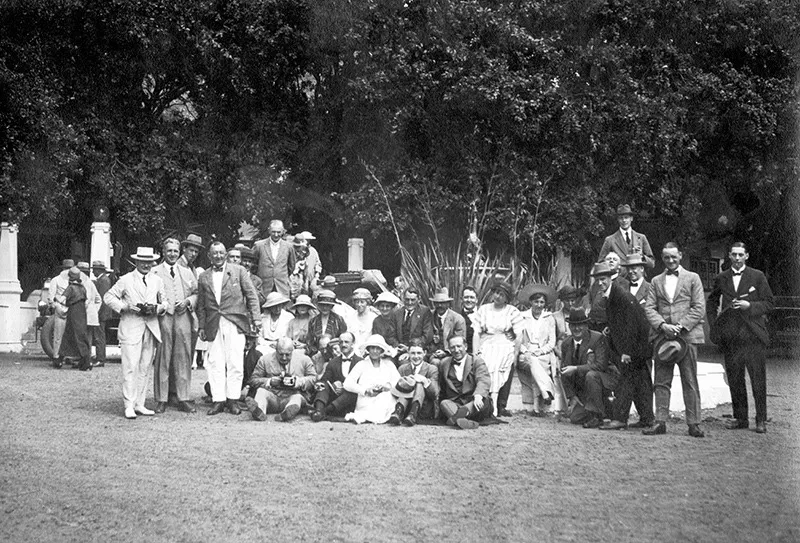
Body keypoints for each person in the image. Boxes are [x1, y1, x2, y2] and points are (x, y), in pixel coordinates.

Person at [707, 242, 774, 434]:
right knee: (735, 379)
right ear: (729, 256)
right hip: (732, 338)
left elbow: (770, 303)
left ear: (747, 256)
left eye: (740, 255)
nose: (737, 258)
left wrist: (749, 306)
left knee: (758, 380)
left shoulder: (757, 276)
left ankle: (761, 420)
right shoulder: (722, 277)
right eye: (734, 255)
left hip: (753, 337)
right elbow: (711, 302)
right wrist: (715, 325)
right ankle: (741, 418)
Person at [643, 242, 706, 438]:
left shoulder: (693, 278)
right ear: (662, 259)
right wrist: (663, 326)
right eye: (666, 258)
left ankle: (693, 423)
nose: (670, 261)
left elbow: (698, 307)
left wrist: (680, 327)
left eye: (674, 257)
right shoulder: (655, 281)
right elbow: (649, 308)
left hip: (687, 337)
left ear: (680, 255)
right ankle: (660, 421)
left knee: (690, 380)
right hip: (663, 338)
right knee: (661, 381)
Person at [195, 241, 261, 416]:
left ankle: (232, 400)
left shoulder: (238, 271)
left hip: (235, 321)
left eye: (221, 253)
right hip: (213, 322)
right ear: (209, 256)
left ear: (226, 254)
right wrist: (201, 325)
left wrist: (256, 319)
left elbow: (252, 296)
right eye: (214, 253)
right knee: (215, 362)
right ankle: (218, 400)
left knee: (235, 362)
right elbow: (201, 304)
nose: (218, 256)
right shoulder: (204, 277)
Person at [587, 262, 654, 430]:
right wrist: (612, 329)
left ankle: (620, 419)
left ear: (611, 278)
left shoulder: (620, 295)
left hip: (636, 345)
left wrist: (627, 352)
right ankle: (647, 419)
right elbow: (621, 320)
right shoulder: (610, 294)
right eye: (598, 280)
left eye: (603, 279)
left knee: (627, 380)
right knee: (642, 382)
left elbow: (632, 324)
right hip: (636, 345)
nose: (600, 283)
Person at [104, 247, 168, 419]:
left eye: (149, 262)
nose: (146, 265)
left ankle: (140, 403)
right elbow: (108, 297)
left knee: (145, 367)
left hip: (150, 327)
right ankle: (129, 405)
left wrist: (157, 308)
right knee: (130, 367)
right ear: (136, 262)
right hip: (131, 326)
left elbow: (165, 302)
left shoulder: (157, 280)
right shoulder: (126, 280)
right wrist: (126, 307)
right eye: (142, 261)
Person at [150, 238, 198, 414]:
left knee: (183, 356)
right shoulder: (154, 272)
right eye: (169, 251)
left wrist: (187, 301)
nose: (172, 254)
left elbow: (197, 293)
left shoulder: (186, 272)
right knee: (163, 356)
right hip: (164, 318)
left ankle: (183, 397)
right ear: (163, 252)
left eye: (175, 251)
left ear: (179, 253)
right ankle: (161, 398)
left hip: (183, 317)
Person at [559, 307, 618, 428]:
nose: (577, 328)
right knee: (575, 418)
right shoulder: (566, 344)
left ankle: (597, 416)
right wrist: (572, 397)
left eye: (580, 325)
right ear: (569, 327)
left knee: (591, 375)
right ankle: (603, 410)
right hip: (586, 390)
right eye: (573, 325)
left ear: (586, 325)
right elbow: (564, 372)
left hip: (605, 381)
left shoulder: (597, 338)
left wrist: (576, 368)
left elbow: (600, 365)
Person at [472, 281, 523, 416]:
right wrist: (475, 351)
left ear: (507, 298)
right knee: (486, 363)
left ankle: (499, 405)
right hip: (486, 342)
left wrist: (516, 353)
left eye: (502, 294)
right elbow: (476, 333)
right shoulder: (483, 309)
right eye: (496, 293)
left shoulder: (512, 311)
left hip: (505, 343)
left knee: (503, 362)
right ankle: (486, 403)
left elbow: (519, 335)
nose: (498, 296)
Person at [244, 337, 317, 421]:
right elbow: (253, 380)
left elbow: (313, 378)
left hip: (293, 394)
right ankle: (259, 411)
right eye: (281, 354)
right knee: (261, 392)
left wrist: (298, 382)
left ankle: (287, 413)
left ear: (293, 350)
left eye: (288, 354)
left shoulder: (304, 360)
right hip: (272, 397)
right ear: (276, 350)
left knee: (297, 398)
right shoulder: (265, 360)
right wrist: (269, 381)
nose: (284, 358)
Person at [516, 284, 558, 416]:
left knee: (536, 362)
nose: (539, 305)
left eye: (542, 302)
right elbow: (516, 339)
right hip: (525, 352)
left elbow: (552, 342)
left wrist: (541, 351)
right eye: (536, 302)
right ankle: (546, 391)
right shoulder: (522, 317)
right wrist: (524, 350)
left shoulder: (549, 318)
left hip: (543, 353)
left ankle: (536, 407)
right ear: (530, 302)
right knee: (532, 361)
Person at [343, 334, 401, 424]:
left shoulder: (389, 364)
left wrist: (388, 385)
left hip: (385, 399)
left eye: (378, 348)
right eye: (372, 348)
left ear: (381, 350)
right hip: (366, 399)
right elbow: (347, 383)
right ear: (368, 349)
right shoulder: (361, 364)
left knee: (386, 398)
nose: (375, 351)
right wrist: (365, 390)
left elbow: (398, 381)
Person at [438, 336, 493, 429]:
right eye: (452, 347)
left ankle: (457, 416)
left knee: (484, 400)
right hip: (456, 403)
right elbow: (441, 385)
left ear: (466, 347)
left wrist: (478, 395)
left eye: (459, 346)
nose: (456, 350)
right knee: (444, 403)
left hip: (474, 402)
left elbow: (483, 380)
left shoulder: (477, 361)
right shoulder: (444, 363)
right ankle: (462, 420)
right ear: (449, 349)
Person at [310, 332, 362, 421]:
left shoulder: (361, 362)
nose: (343, 345)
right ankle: (318, 410)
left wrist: (346, 387)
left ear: (353, 344)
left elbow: (362, 384)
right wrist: (331, 385)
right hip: (335, 399)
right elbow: (324, 379)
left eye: (346, 342)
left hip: (351, 401)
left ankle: (323, 412)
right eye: (341, 342)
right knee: (323, 385)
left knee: (352, 393)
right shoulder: (333, 362)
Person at [598, 203, 655, 278]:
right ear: (618, 219)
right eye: (621, 218)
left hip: (638, 280)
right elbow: (601, 263)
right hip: (618, 282)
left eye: (626, 217)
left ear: (631, 218)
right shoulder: (610, 240)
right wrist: (614, 268)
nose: (624, 220)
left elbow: (652, 264)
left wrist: (642, 256)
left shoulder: (641, 238)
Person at [389, 342, 439, 426]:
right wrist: (406, 383)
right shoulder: (402, 369)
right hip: (406, 408)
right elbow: (395, 391)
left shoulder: (431, 369)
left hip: (424, 409)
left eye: (419, 353)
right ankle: (398, 412)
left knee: (419, 383)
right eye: (413, 353)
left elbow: (434, 394)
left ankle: (413, 413)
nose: (416, 357)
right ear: (408, 353)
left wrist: (424, 381)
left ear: (424, 353)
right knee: (407, 382)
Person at [177, 233, 206, 369]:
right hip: (179, 312)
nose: (194, 254)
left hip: (190, 313)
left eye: (196, 251)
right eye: (191, 250)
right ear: (184, 249)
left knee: (188, 351)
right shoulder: (178, 265)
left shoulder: (192, 268)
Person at [56, 267, 92, 371]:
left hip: (73, 312)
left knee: (69, 335)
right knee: (81, 335)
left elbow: (62, 300)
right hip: (82, 313)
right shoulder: (82, 288)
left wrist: (56, 298)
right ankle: (86, 361)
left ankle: (60, 359)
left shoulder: (70, 288)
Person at [253, 219, 296, 298]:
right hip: (264, 287)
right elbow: (253, 265)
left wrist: (280, 274)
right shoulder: (259, 245)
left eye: (279, 232)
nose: (276, 235)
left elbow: (291, 266)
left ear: (283, 231)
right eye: (273, 232)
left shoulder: (289, 246)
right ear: (269, 231)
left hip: (281, 287)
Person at [388, 287, 433, 354]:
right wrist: (398, 346)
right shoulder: (396, 313)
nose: (409, 303)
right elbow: (391, 335)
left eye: (413, 300)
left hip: (417, 351)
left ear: (419, 299)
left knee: (404, 362)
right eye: (407, 299)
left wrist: (409, 348)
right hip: (398, 350)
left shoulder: (425, 312)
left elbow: (427, 336)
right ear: (403, 298)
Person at [76, 261, 103, 368]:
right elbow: (98, 299)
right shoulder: (90, 282)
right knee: (88, 338)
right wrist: (94, 310)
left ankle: (85, 362)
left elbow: (85, 300)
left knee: (83, 338)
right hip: (90, 315)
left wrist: (88, 309)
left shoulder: (83, 283)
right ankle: (86, 360)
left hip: (83, 315)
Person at [307, 289, 348, 355]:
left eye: (327, 305)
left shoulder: (338, 319)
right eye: (322, 305)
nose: (325, 308)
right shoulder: (313, 321)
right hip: (317, 353)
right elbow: (310, 341)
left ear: (332, 306)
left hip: (335, 353)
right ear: (318, 305)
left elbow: (344, 337)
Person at [49, 259, 76, 359]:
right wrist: (56, 306)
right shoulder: (56, 280)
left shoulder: (56, 280)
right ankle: (57, 355)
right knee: (60, 335)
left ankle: (61, 356)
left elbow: (51, 298)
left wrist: (55, 305)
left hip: (68, 308)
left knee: (60, 335)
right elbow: (51, 298)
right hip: (65, 307)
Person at [91, 260, 114, 367]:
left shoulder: (104, 280)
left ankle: (100, 358)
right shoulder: (103, 279)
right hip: (102, 312)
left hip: (101, 313)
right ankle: (100, 357)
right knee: (99, 335)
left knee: (99, 335)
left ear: (98, 270)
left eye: (94, 269)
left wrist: (97, 312)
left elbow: (102, 298)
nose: (93, 272)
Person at [429, 287, 467, 354]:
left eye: (443, 303)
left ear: (448, 304)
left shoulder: (458, 319)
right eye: (437, 303)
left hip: (450, 353)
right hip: (430, 351)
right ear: (434, 304)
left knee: (435, 362)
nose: (439, 305)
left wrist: (446, 352)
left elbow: (459, 341)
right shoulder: (428, 316)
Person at [258, 291, 294, 356]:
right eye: (274, 306)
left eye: (279, 305)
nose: (277, 309)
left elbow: (290, 337)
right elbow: (259, 336)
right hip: (265, 345)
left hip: (283, 347)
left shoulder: (289, 317)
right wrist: (267, 344)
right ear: (270, 307)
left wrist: (279, 344)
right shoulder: (263, 317)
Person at [460, 286, 478, 352]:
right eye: (466, 297)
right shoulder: (457, 317)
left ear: (476, 300)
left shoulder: (484, 314)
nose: (469, 300)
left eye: (472, 297)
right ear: (461, 299)